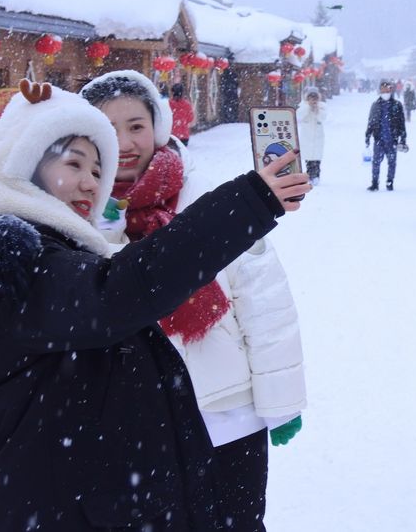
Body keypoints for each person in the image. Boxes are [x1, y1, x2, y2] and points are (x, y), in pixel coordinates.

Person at [0, 79, 309, 531]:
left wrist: (280, 401)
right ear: (26, 164)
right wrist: (252, 201)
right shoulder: (16, 262)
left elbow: (264, 303)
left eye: (97, 170)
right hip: (63, 496)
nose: (89, 180)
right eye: (73, 163)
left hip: (209, 422)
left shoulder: (65, 241)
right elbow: (120, 292)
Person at [81, 70, 308, 532]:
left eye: (137, 126)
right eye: (108, 128)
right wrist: (103, 231)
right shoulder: (72, 209)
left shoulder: (208, 198)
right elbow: (88, 308)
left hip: (229, 411)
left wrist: (280, 402)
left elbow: (264, 303)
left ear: (159, 128)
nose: (124, 142)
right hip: (135, 423)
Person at [364, 80, 407, 191]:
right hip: (378, 138)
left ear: (391, 89)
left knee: (392, 162)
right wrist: (368, 135)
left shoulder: (397, 105)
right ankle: (374, 183)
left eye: (388, 88)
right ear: (380, 90)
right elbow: (371, 121)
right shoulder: (375, 105)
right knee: (376, 162)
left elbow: (401, 123)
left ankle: (390, 182)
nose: (385, 91)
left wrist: (403, 138)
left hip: (392, 139)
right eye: (383, 89)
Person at [297, 85, 327, 185]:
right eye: (311, 97)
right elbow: (299, 116)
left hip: (318, 137)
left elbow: (322, 118)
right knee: (308, 158)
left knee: (317, 158)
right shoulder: (303, 106)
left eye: (315, 97)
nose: (313, 99)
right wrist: (308, 107)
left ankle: (317, 176)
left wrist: (317, 109)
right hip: (307, 136)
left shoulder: (322, 106)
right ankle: (309, 175)